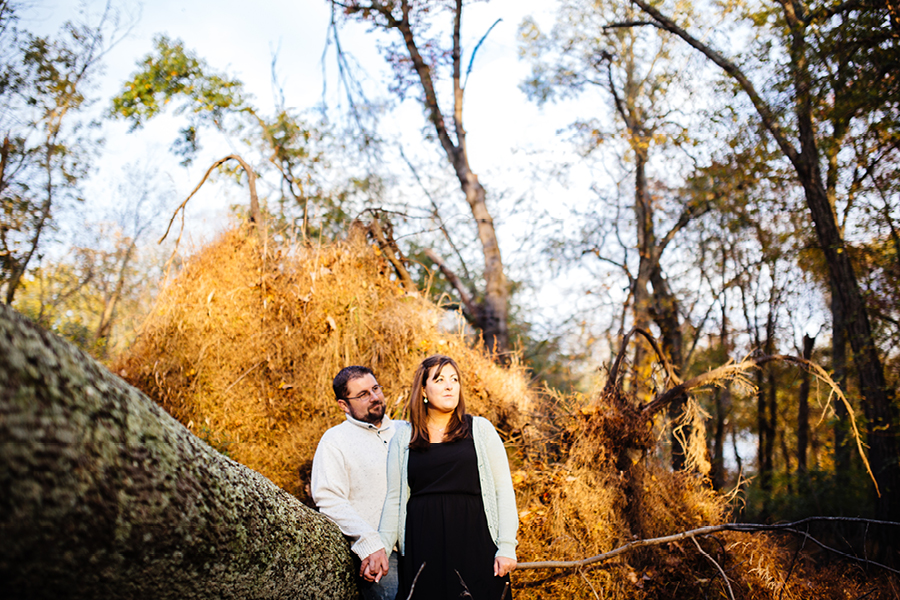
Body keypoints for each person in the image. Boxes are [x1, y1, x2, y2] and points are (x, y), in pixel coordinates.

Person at [378, 355, 518, 600]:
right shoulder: (404, 438)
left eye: (454, 379)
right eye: (439, 379)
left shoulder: (480, 429)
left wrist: (506, 546)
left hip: (475, 543)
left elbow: (503, 491)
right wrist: (382, 548)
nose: (449, 385)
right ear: (423, 390)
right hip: (422, 546)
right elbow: (394, 500)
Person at [310, 366, 399, 600]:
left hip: (424, 545)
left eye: (375, 388)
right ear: (343, 405)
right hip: (381, 557)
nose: (374, 397)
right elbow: (329, 499)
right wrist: (368, 542)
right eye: (362, 394)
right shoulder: (335, 441)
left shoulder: (405, 431)